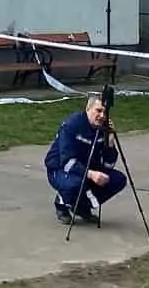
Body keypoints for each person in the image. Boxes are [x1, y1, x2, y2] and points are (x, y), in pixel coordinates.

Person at [44, 94, 126, 224]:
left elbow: (108, 166)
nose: (102, 116)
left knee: (118, 179)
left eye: (105, 112)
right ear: (88, 109)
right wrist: (91, 174)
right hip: (60, 169)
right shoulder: (71, 125)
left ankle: (80, 207)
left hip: (86, 169)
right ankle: (62, 203)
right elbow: (67, 162)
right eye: (98, 111)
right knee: (77, 183)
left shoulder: (103, 129)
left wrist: (110, 142)